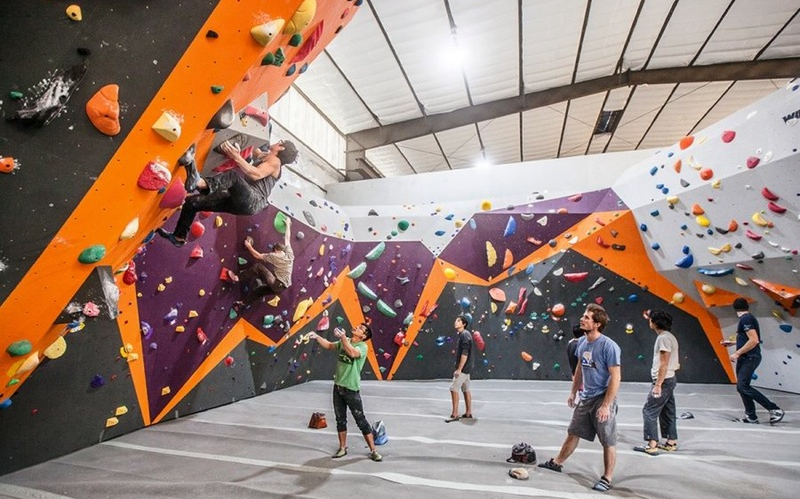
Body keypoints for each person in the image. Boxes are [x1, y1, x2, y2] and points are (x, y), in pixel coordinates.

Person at [538, 303, 621, 493]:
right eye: (583, 316)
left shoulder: (609, 346)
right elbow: (580, 368)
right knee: (573, 431)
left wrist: (606, 405)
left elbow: (616, 377)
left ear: (597, 324)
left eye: (587, 317)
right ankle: (557, 463)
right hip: (586, 397)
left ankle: (607, 478)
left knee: (607, 440)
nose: (582, 319)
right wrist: (573, 391)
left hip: (603, 397)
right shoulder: (582, 343)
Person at [156, 139, 298, 247]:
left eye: (280, 142)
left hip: (254, 200)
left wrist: (236, 156)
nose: (276, 142)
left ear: (281, 147)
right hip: (244, 203)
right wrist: (239, 149)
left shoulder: (276, 161)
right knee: (192, 203)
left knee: (232, 177)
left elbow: (256, 174)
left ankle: (200, 183)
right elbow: (255, 152)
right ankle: (179, 237)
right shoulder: (267, 156)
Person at [307, 323, 383, 462]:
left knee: (361, 420)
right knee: (340, 419)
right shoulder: (345, 340)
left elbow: (353, 353)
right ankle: (342, 448)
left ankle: (373, 450)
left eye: (360, 328)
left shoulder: (362, 347)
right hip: (338, 387)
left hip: (351, 389)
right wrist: (317, 337)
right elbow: (330, 345)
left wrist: (342, 337)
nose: (356, 327)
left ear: (363, 336)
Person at [722, 298, 784, 424]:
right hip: (747, 357)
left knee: (742, 386)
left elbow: (754, 340)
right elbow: (748, 338)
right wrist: (734, 343)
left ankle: (774, 409)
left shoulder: (746, 319)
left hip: (749, 357)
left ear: (734, 308)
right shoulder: (747, 318)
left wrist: (737, 353)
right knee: (742, 387)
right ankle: (751, 415)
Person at [634, 309, 680, 455]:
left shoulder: (663, 338)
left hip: (664, 380)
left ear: (655, 323)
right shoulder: (669, 336)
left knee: (649, 411)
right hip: (669, 378)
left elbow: (664, 363)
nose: (649, 322)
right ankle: (670, 441)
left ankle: (651, 443)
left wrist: (658, 385)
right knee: (667, 411)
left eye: (651, 320)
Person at [234, 217, 294, 309]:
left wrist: (249, 246)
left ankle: (237, 277)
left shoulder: (275, 256)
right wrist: (288, 225)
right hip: (282, 289)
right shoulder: (289, 254)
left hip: (277, 283)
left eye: (274, 251)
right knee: (260, 291)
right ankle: (243, 304)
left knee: (258, 267)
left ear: (276, 250)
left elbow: (257, 256)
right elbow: (287, 238)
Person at [445, 315, 474, 422]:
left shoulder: (464, 335)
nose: (455, 322)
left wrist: (459, 369)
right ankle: (468, 412)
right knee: (466, 389)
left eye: (458, 321)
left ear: (464, 324)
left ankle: (454, 414)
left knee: (453, 389)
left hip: (464, 368)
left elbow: (464, 353)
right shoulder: (465, 335)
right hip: (468, 368)